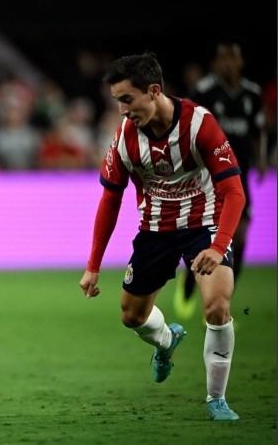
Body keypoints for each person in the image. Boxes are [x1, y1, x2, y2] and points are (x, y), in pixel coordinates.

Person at [78, 52, 245, 421]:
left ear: (154, 91)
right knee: (131, 316)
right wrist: (93, 266)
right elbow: (110, 199)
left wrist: (218, 247)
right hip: (155, 229)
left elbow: (235, 192)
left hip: (205, 225)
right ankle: (167, 342)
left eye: (127, 99)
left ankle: (216, 399)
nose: (122, 110)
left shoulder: (200, 125)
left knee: (217, 307)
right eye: (117, 101)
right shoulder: (125, 137)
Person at [173, 41, 266, 320]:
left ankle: (221, 304)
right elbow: (187, 127)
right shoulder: (204, 92)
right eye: (222, 59)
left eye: (232, 59)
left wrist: (260, 157)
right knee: (202, 239)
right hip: (207, 178)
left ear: (240, 62)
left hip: (239, 176)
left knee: (240, 237)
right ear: (215, 64)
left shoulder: (252, 93)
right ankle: (189, 284)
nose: (227, 64)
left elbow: (258, 130)